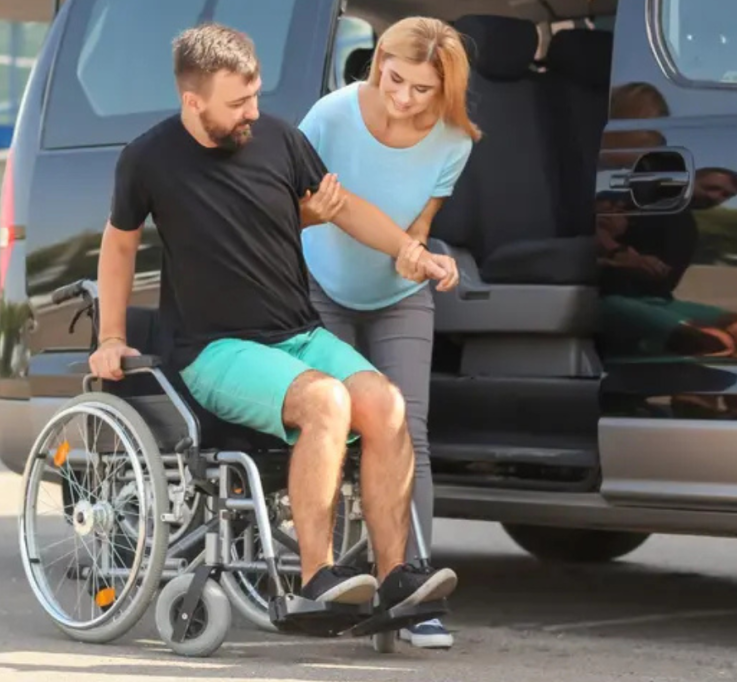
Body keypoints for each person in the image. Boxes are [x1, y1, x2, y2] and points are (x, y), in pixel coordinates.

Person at [89, 22, 461, 612]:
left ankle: (395, 576)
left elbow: (344, 209)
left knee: (386, 405)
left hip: (298, 335)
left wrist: (409, 251)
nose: (253, 112)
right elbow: (119, 246)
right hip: (215, 350)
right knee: (327, 402)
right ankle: (316, 579)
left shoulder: (280, 139)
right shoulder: (147, 158)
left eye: (256, 95)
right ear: (193, 101)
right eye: (238, 102)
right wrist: (111, 336)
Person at [292, 17, 479, 649]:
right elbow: (281, 202)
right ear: (378, 64)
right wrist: (314, 213)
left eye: (422, 90)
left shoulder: (454, 140)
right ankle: (330, 580)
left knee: (408, 431)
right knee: (335, 429)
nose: (403, 97)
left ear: (445, 89)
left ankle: (411, 593)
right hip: (321, 287)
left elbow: (420, 225)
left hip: (399, 296)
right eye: (394, 79)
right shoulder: (331, 117)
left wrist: (423, 258)